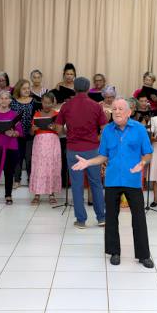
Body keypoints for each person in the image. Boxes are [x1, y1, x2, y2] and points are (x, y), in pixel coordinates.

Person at [72, 98, 154, 268]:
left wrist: (143, 162)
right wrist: (88, 162)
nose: (116, 111)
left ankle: (144, 255)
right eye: (114, 109)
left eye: (120, 109)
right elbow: (103, 156)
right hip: (112, 179)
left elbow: (148, 153)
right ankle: (114, 252)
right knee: (111, 218)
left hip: (132, 180)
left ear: (129, 112)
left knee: (139, 218)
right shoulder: (108, 131)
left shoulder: (139, 129)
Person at [54, 77, 106, 228]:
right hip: (92, 150)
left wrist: (67, 131)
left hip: (73, 149)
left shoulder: (66, 106)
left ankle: (81, 220)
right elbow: (104, 129)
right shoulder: (96, 106)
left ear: (74, 89)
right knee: (96, 183)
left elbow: (58, 129)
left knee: (76, 185)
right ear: (88, 88)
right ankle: (102, 218)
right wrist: (96, 138)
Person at [29, 92, 61, 205]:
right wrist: (33, 129)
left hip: (52, 142)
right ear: (41, 102)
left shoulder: (57, 114)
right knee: (39, 167)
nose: (46, 105)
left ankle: (51, 193)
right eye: (44, 102)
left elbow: (60, 131)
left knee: (52, 166)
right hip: (39, 142)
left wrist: (54, 127)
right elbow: (31, 133)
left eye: (49, 103)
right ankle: (37, 194)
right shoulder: (37, 114)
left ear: (53, 103)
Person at [10, 79, 35, 188]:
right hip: (17, 134)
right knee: (17, 157)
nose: (26, 90)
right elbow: (11, 117)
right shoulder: (14, 102)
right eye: (24, 88)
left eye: (28, 88)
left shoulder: (34, 101)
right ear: (18, 89)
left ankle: (31, 179)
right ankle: (17, 180)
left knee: (29, 157)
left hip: (30, 134)